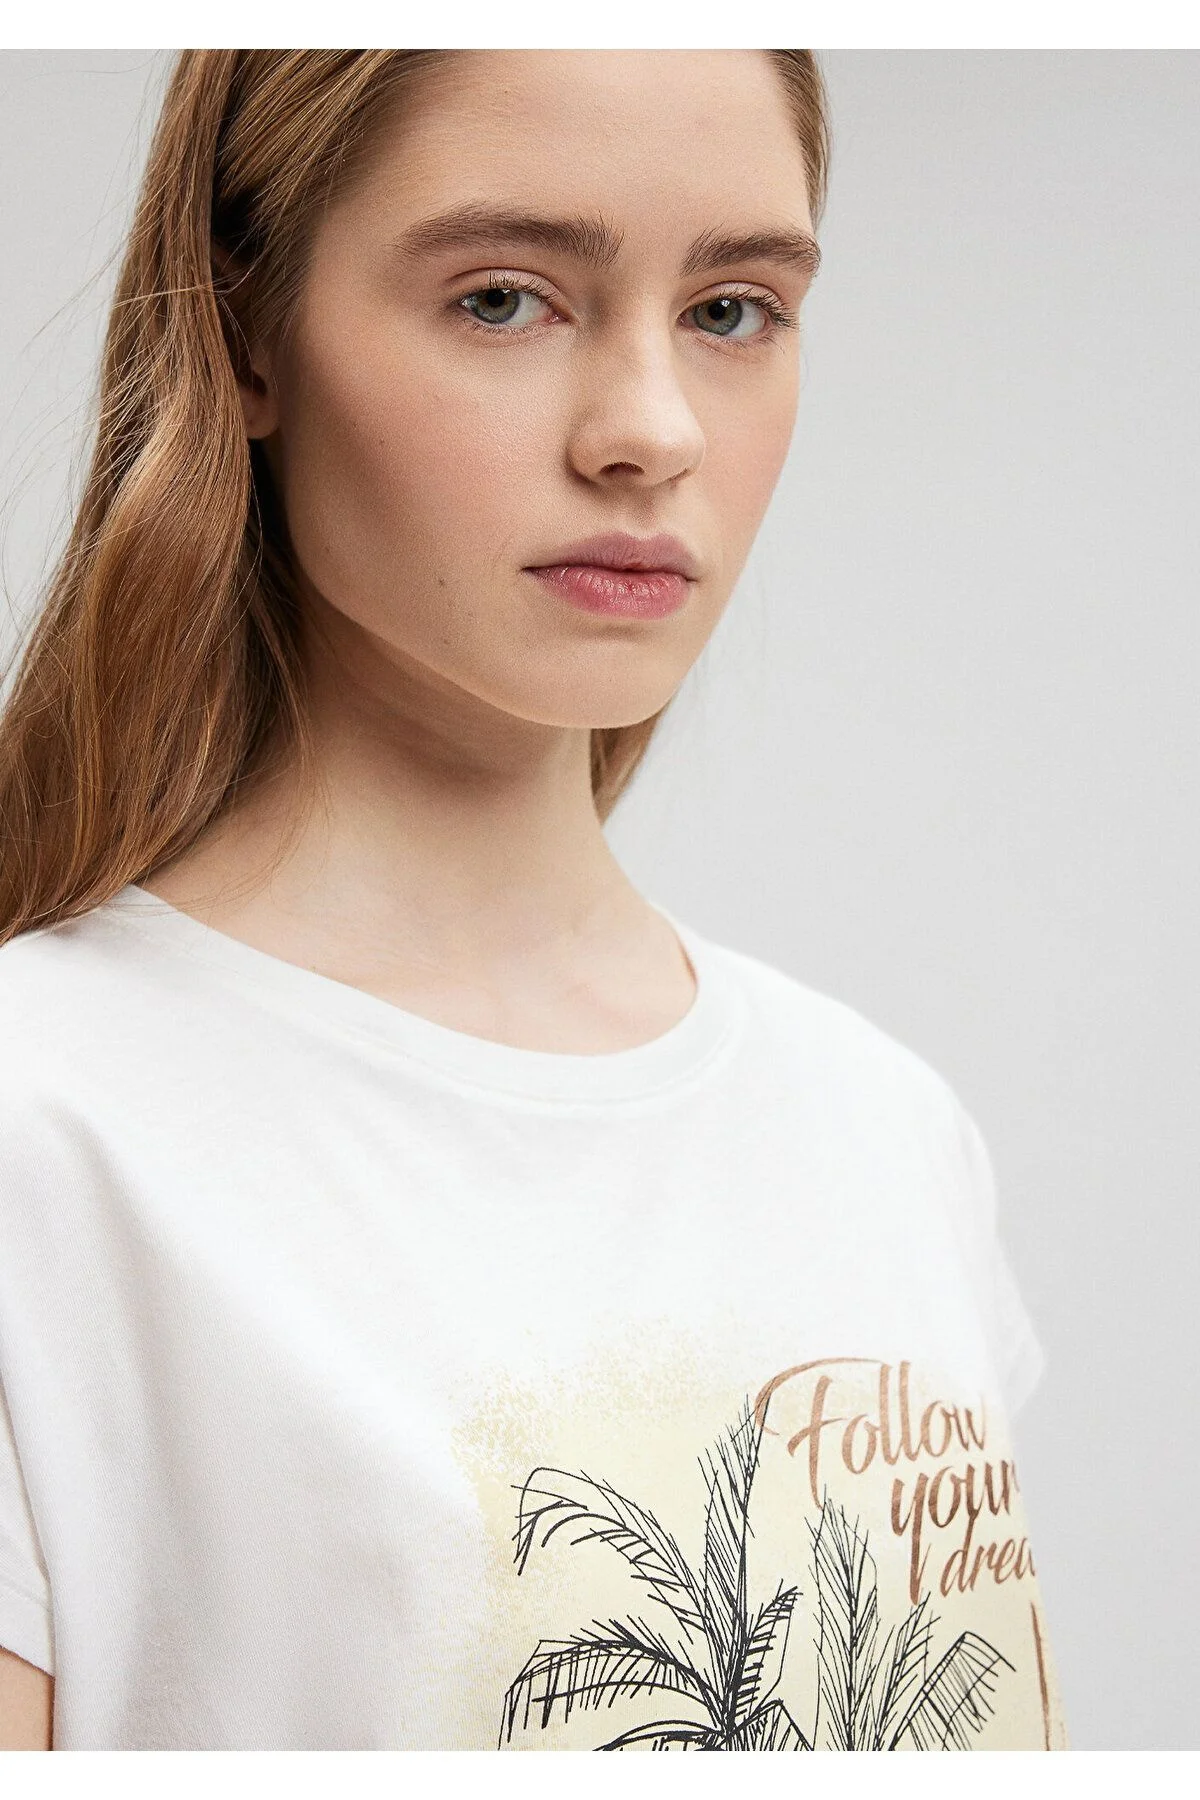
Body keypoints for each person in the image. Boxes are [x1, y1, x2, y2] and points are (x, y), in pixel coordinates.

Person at [0, 48, 1068, 1752]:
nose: (650, 430)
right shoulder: (45, 1133)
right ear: (249, 329)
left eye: (731, 311)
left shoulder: (886, 1134)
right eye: (504, 298)